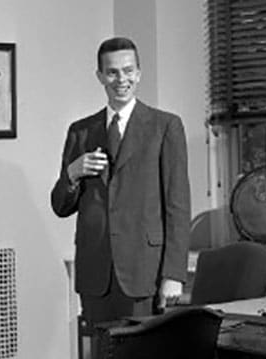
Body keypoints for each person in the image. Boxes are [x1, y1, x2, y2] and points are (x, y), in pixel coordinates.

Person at [51, 37, 190, 326]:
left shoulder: (165, 127)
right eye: (112, 72)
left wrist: (174, 274)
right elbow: (60, 206)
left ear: (139, 73)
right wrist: (72, 174)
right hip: (95, 275)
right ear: (100, 76)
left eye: (128, 71)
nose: (121, 79)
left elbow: (177, 206)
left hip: (144, 273)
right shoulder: (81, 131)